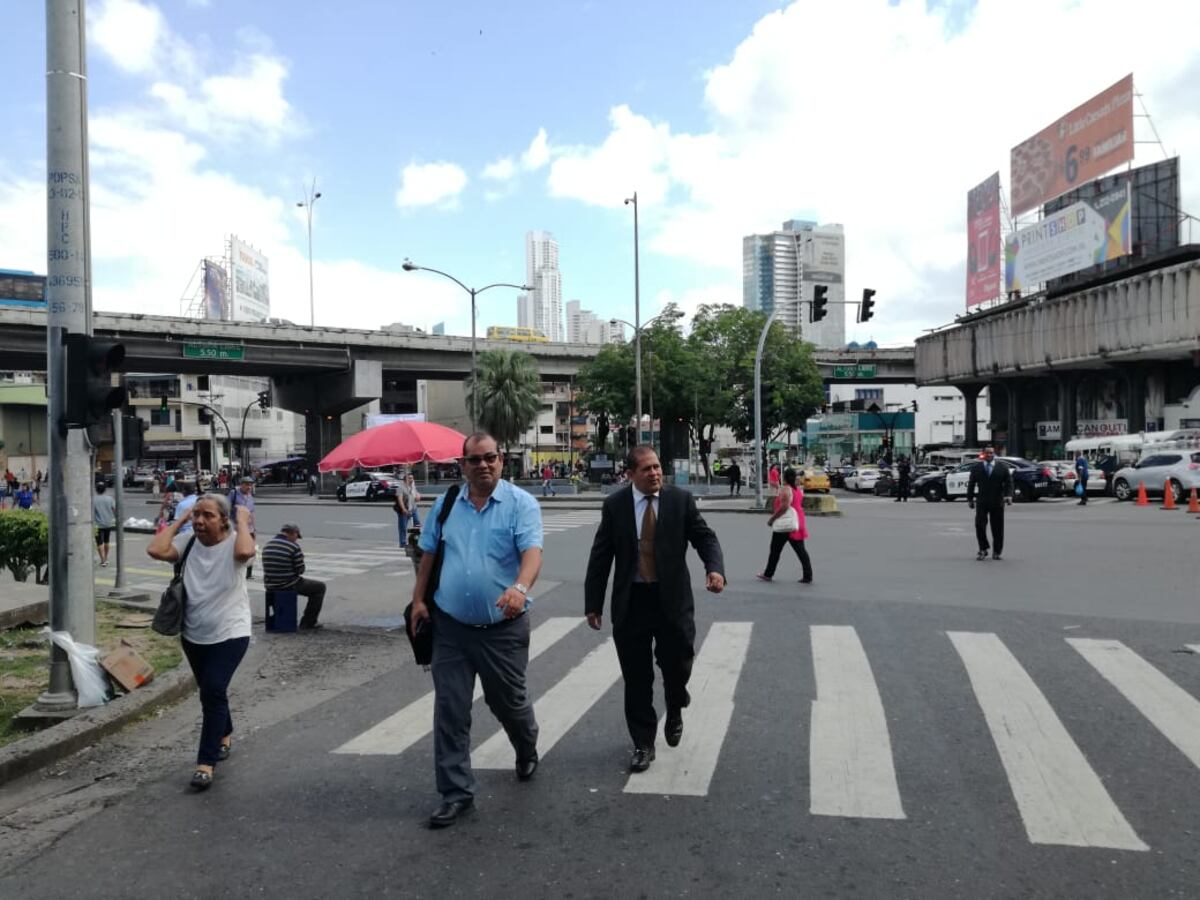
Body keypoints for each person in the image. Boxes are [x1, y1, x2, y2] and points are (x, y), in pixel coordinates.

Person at [409, 432, 544, 829]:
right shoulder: (448, 504)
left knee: (508, 702)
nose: (483, 465)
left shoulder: (521, 504)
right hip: (450, 626)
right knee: (450, 709)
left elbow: (532, 553)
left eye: (490, 458)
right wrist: (419, 600)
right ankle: (455, 792)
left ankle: (525, 743)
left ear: (502, 461)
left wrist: (520, 588)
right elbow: (429, 553)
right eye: (474, 460)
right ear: (463, 464)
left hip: (503, 629)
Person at [584, 445, 726, 773]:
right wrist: (593, 603)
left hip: (672, 601)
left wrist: (714, 568)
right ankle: (643, 743)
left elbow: (705, 538)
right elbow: (601, 556)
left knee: (677, 665)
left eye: (657, 467)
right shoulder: (615, 506)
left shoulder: (680, 501)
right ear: (630, 474)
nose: (655, 473)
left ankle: (675, 704)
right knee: (637, 678)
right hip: (631, 603)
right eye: (646, 469)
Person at [146, 495, 256, 791]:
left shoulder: (236, 540)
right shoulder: (188, 542)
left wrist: (242, 520)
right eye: (196, 515)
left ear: (223, 519)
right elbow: (155, 549)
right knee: (211, 691)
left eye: (207, 515)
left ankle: (205, 763)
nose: (199, 520)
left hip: (231, 632)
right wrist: (180, 521)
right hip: (193, 633)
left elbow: (246, 552)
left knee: (213, 690)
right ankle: (225, 732)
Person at [262, 523, 325, 630]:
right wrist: (301, 558)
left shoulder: (268, 545)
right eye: (297, 536)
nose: (296, 539)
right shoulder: (293, 547)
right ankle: (308, 623)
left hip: (270, 585)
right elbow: (300, 570)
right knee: (319, 588)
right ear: (293, 533)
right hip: (288, 584)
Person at [756, 466, 813, 584]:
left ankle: (768, 574)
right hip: (797, 521)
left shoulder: (786, 489)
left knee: (775, 550)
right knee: (801, 551)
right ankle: (808, 575)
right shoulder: (797, 489)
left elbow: (784, 507)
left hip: (786, 523)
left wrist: (772, 519)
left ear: (785, 477)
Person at [967, 446, 1013, 561]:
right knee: (979, 525)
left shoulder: (1002, 467)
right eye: (987, 453)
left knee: (997, 528)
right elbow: (971, 484)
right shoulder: (976, 468)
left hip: (997, 501)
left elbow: (1009, 482)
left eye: (991, 453)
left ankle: (997, 551)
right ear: (983, 454)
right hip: (982, 501)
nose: (989, 455)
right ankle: (983, 549)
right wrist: (970, 499)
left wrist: (1008, 495)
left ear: (994, 454)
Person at [228, 477, 257, 579]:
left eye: (250, 485)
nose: (249, 487)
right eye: (247, 484)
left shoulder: (250, 496)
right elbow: (227, 508)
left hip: (248, 528)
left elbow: (251, 512)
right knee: (236, 549)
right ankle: (235, 569)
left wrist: (254, 528)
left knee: (251, 548)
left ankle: (249, 573)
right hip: (235, 527)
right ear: (241, 485)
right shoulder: (233, 493)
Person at [92, 483, 117, 566]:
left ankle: (102, 560)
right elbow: (114, 509)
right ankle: (106, 558)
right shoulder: (109, 499)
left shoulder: (93, 499)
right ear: (105, 490)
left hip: (97, 524)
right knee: (107, 541)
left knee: (99, 542)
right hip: (108, 523)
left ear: (96, 490)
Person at [392, 478, 413, 548]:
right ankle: (403, 543)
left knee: (414, 525)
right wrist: (403, 509)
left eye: (412, 478)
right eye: (410, 478)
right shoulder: (400, 488)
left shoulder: (411, 487)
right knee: (403, 527)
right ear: (405, 480)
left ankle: (411, 541)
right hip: (403, 510)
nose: (411, 480)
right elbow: (400, 499)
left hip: (410, 509)